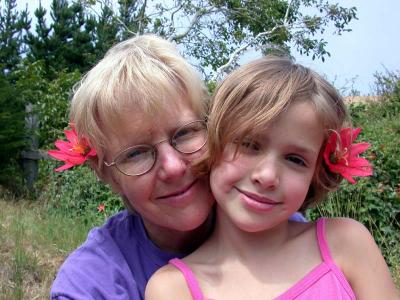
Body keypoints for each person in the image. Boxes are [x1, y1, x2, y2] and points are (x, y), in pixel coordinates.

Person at [49, 36, 306, 299]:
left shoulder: (270, 223)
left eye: (185, 133)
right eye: (136, 153)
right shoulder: (91, 284)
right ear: (107, 174)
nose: (172, 167)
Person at [145, 57, 400, 299]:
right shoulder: (173, 289)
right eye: (249, 144)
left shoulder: (346, 244)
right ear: (213, 142)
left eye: (295, 160)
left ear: (316, 174)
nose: (267, 176)